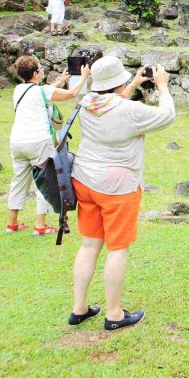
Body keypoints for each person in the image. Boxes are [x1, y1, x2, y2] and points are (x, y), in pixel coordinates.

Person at [69, 57, 175, 331]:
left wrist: (135, 83)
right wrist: (162, 87)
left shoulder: (86, 103)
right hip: (116, 185)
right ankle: (114, 313)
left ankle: (79, 307)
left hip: (84, 178)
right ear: (119, 81)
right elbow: (166, 116)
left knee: (90, 244)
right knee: (117, 247)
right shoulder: (129, 111)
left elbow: (112, 103)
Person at [8, 55, 90, 235]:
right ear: (36, 73)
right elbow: (71, 94)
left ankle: (12, 223)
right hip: (38, 141)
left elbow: (41, 93)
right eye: (41, 67)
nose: (44, 70)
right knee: (45, 180)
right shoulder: (42, 90)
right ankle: (40, 225)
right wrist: (83, 77)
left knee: (18, 180)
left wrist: (60, 80)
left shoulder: (18, 89)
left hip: (17, 142)